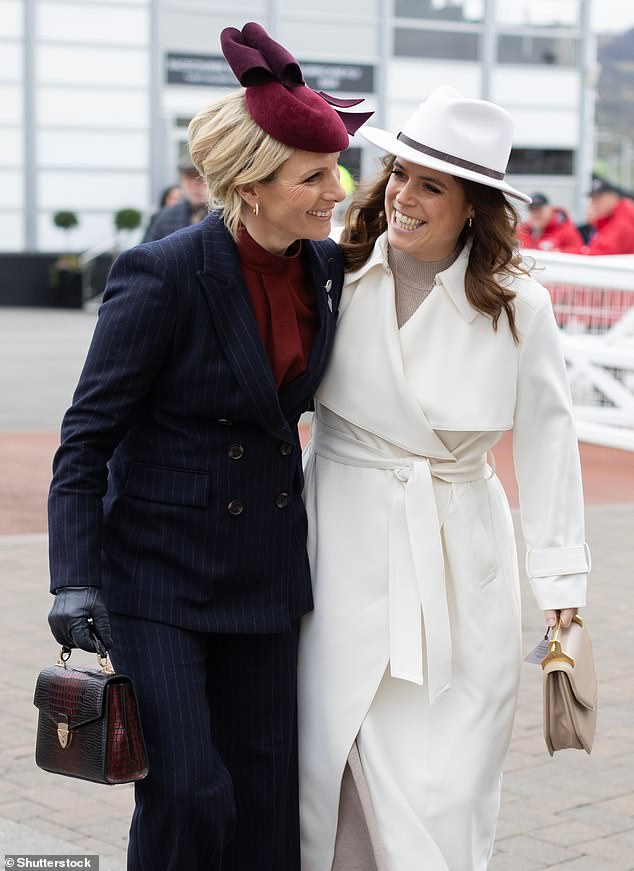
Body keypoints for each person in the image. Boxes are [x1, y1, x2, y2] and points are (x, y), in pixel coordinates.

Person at [46, 21, 370, 871]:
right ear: (252, 187)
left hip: (266, 574)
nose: (333, 188)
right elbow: (85, 438)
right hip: (160, 575)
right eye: (312, 175)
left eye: (334, 170)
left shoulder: (327, 270)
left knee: (267, 799)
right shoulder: (163, 273)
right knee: (190, 790)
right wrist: (74, 576)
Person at [298, 86, 590, 871]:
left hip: (459, 565)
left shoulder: (517, 305)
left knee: (445, 788)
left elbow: (550, 442)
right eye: (399, 173)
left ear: (473, 207)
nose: (404, 195)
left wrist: (561, 588)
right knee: (331, 762)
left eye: (432, 184)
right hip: (336, 549)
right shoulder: (335, 272)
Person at [142, 155, 209, 242]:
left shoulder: (226, 215)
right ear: (181, 181)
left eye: (202, 177)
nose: (197, 184)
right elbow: (146, 250)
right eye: (190, 178)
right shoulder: (163, 216)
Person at [581, 176, 634, 255]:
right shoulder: (611, 219)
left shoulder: (623, 222)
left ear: (611, 197)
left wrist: (566, 251)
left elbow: (600, 253)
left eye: (598, 198)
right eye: (592, 199)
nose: (593, 203)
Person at [517, 191, 583, 253]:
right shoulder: (523, 231)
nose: (536, 214)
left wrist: (559, 253)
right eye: (532, 210)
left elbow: (578, 252)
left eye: (539, 209)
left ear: (550, 209)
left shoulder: (567, 231)